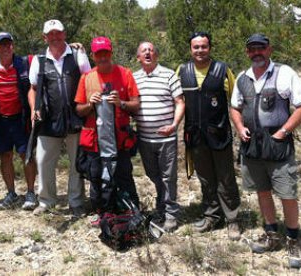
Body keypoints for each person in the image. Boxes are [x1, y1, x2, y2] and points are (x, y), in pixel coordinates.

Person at [230, 33, 301, 268]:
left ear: (269, 49)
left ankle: (293, 240)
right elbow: (235, 107)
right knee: (262, 192)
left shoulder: (285, 73)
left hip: (278, 146)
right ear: (247, 52)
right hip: (252, 147)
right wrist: (240, 126)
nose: (257, 52)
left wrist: (283, 131)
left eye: (261, 48)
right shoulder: (242, 77)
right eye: (252, 49)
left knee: (287, 194)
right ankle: (271, 235)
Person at [178, 32, 241, 240]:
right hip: (195, 136)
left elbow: (236, 102)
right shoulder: (182, 71)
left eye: (203, 46)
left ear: (210, 48)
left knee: (226, 178)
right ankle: (212, 216)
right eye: (196, 47)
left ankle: (232, 219)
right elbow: (176, 102)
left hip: (219, 134)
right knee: (205, 179)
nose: (199, 51)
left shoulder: (223, 70)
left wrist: (242, 126)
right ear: (190, 49)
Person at [28, 20, 91, 217]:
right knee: (44, 161)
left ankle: (76, 201)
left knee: (76, 162)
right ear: (44, 37)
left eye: (58, 33)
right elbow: (33, 89)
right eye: (51, 34)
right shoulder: (38, 60)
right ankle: (46, 201)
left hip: (75, 117)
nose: (55, 37)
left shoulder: (78, 54)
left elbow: (88, 79)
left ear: (64, 34)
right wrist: (33, 109)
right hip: (48, 119)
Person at [75, 36, 140, 218]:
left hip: (120, 139)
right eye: (98, 54)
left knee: (124, 176)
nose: (103, 58)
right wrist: (89, 105)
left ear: (111, 53)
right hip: (95, 141)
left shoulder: (125, 73)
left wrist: (121, 104)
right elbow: (79, 110)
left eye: (106, 53)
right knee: (96, 177)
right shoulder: (86, 77)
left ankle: (129, 210)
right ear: (93, 56)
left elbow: (136, 104)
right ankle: (101, 212)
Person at [133, 42, 185, 232]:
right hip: (144, 138)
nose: (148, 53)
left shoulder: (169, 74)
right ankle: (162, 204)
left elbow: (179, 102)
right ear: (138, 57)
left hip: (166, 139)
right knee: (153, 174)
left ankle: (170, 213)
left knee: (168, 176)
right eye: (143, 51)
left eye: (151, 50)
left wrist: (174, 125)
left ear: (157, 55)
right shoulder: (134, 77)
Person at [0, 32, 37, 210]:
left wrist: (75, 47)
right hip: (1, 121)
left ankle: (30, 193)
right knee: (5, 155)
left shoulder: (25, 63)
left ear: (13, 45)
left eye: (8, 44)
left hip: (21, 119)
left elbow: (52, 54)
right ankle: (11, 194)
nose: (5, 48)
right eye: (1, 45)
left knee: (26, 155)